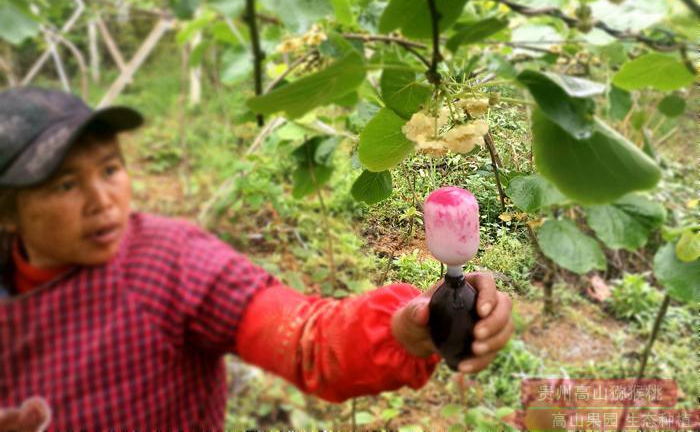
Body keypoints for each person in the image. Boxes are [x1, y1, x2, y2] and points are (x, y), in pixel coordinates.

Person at [0, 87, 514, 430]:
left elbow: (304, 336)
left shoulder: (167, 262)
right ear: (8, 211)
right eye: (66, 183)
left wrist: (403, 330)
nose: (101, 199)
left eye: (110, 169)